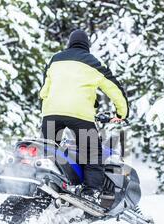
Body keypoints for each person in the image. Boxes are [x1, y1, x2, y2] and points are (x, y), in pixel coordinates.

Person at [39, 29, 129, 202]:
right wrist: (121, 113)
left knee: (49, 153)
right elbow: (114, 89)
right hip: (80, 116)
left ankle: (47, 187)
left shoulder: (55, 60)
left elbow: (44, 91)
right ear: (87, 45)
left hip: (51, 113)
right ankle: (91, 192)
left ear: (69, 43)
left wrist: (49, 107)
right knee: (93, 153)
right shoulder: (92, 62)